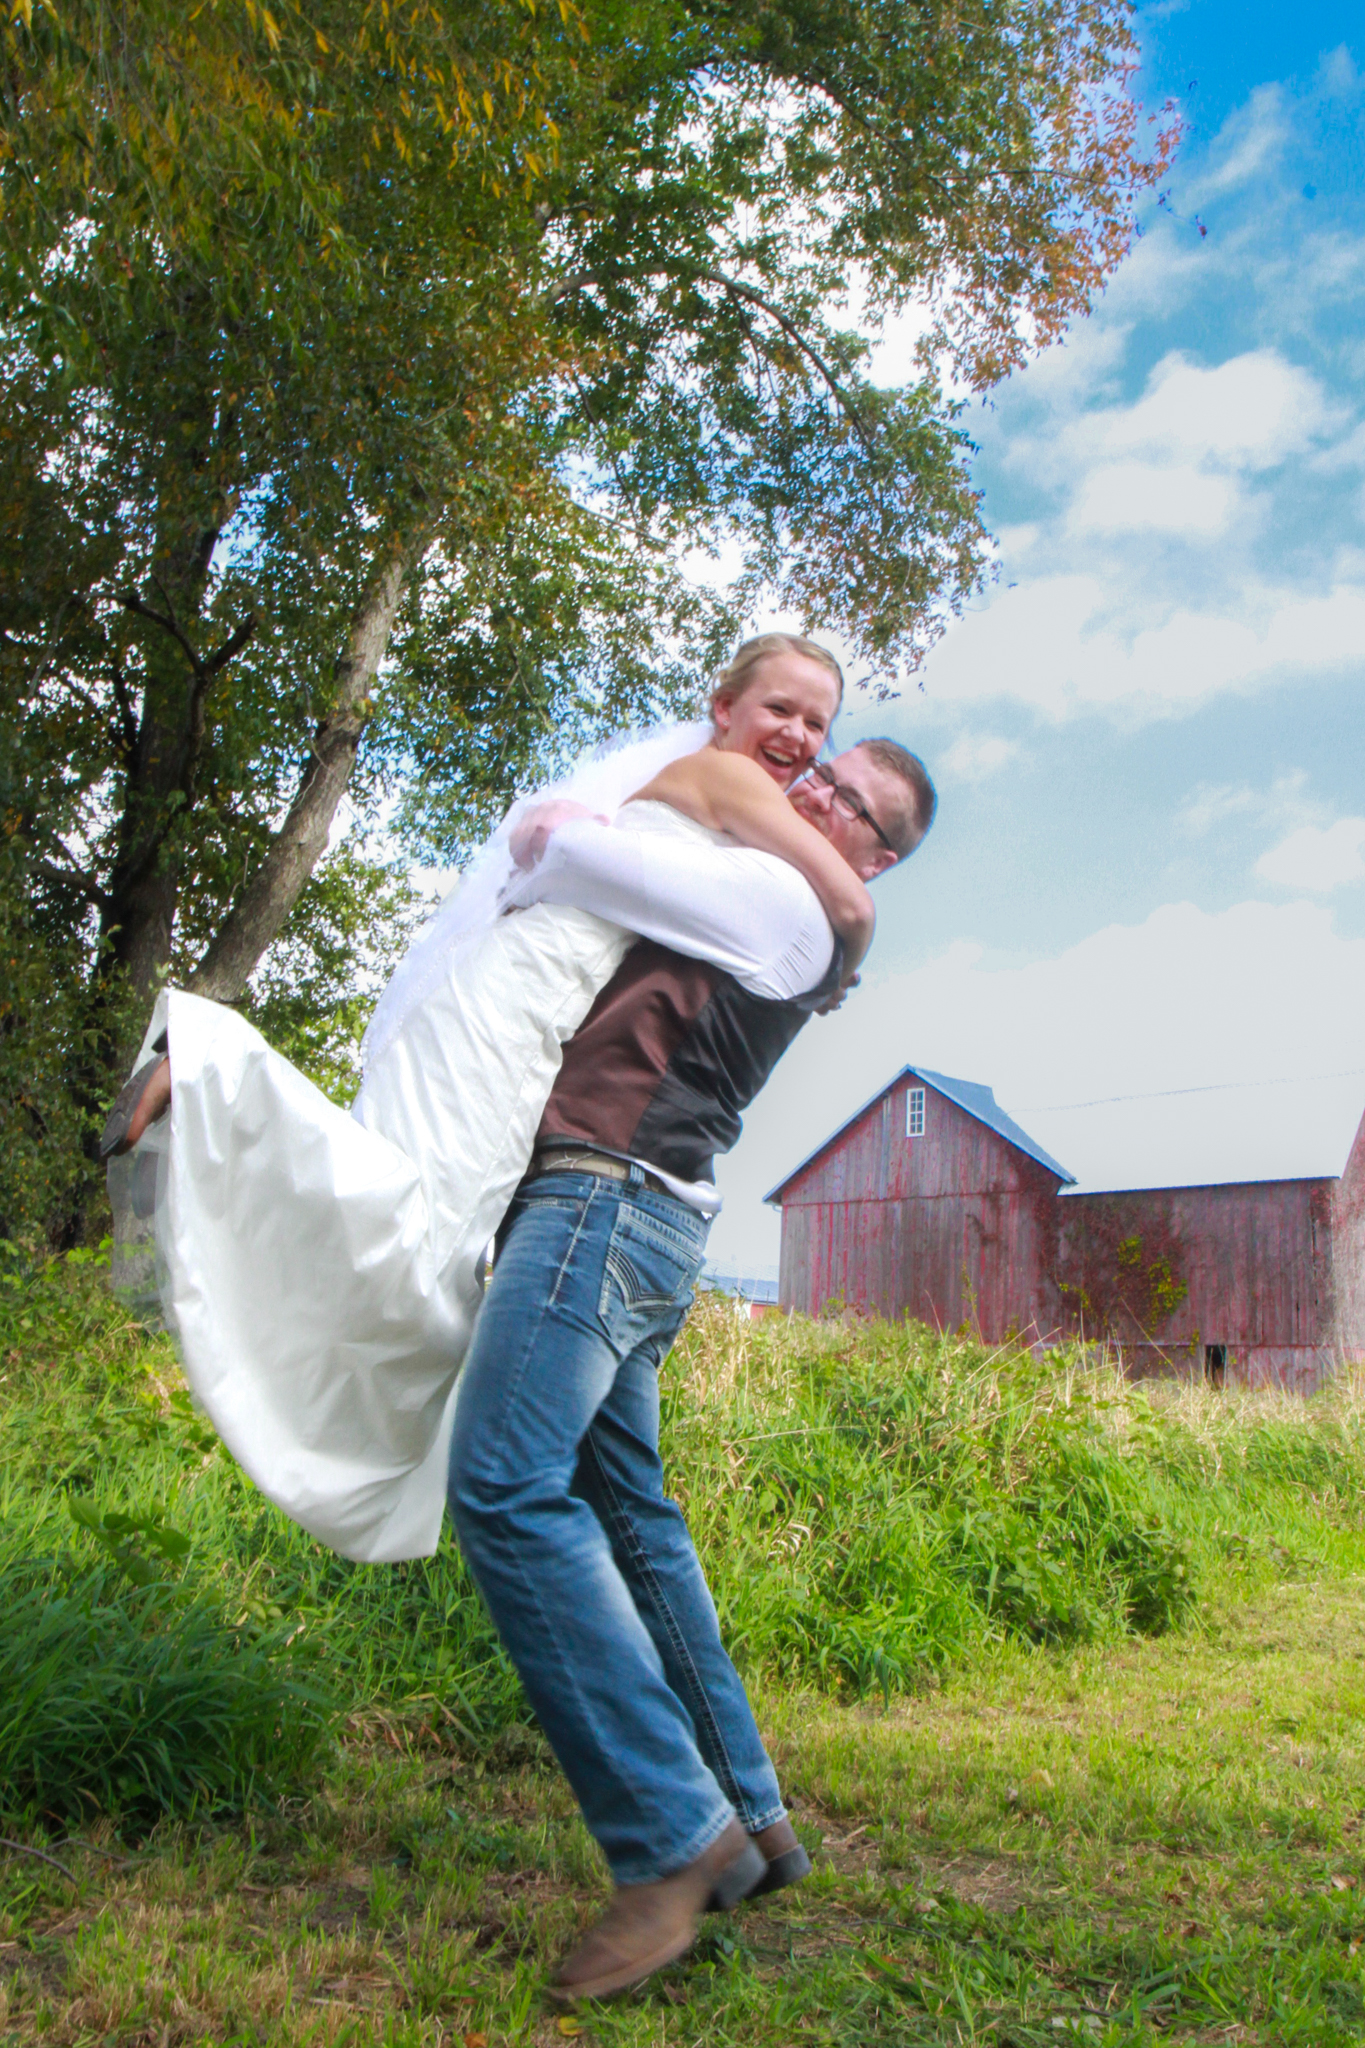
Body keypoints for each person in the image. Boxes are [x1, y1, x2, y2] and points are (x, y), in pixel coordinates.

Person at [100, 638, 874, 1563]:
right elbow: (848, 904)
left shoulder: (726, 805)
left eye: (815, 724)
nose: (796, 736)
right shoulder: (727, 778)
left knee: (434, 1251)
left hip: (535, 1008)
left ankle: (220, 1082)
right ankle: (212, 1062)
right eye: (779, 709)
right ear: (724, 707)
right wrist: (839, 967)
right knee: (414, 1234)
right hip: (517, 999)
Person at [445, 734, 936, 2002]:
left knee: (503, 1485)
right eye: (821, 771)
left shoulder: (787, 894)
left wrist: (580, 812)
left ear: (874, 857)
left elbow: (578, 858)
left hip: (599, 1204)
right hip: (650, 1216)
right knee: (633, 1516)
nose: (819, 794)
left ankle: (672, 1840)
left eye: (855, 807)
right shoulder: (791, 885)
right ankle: (756, 1818)